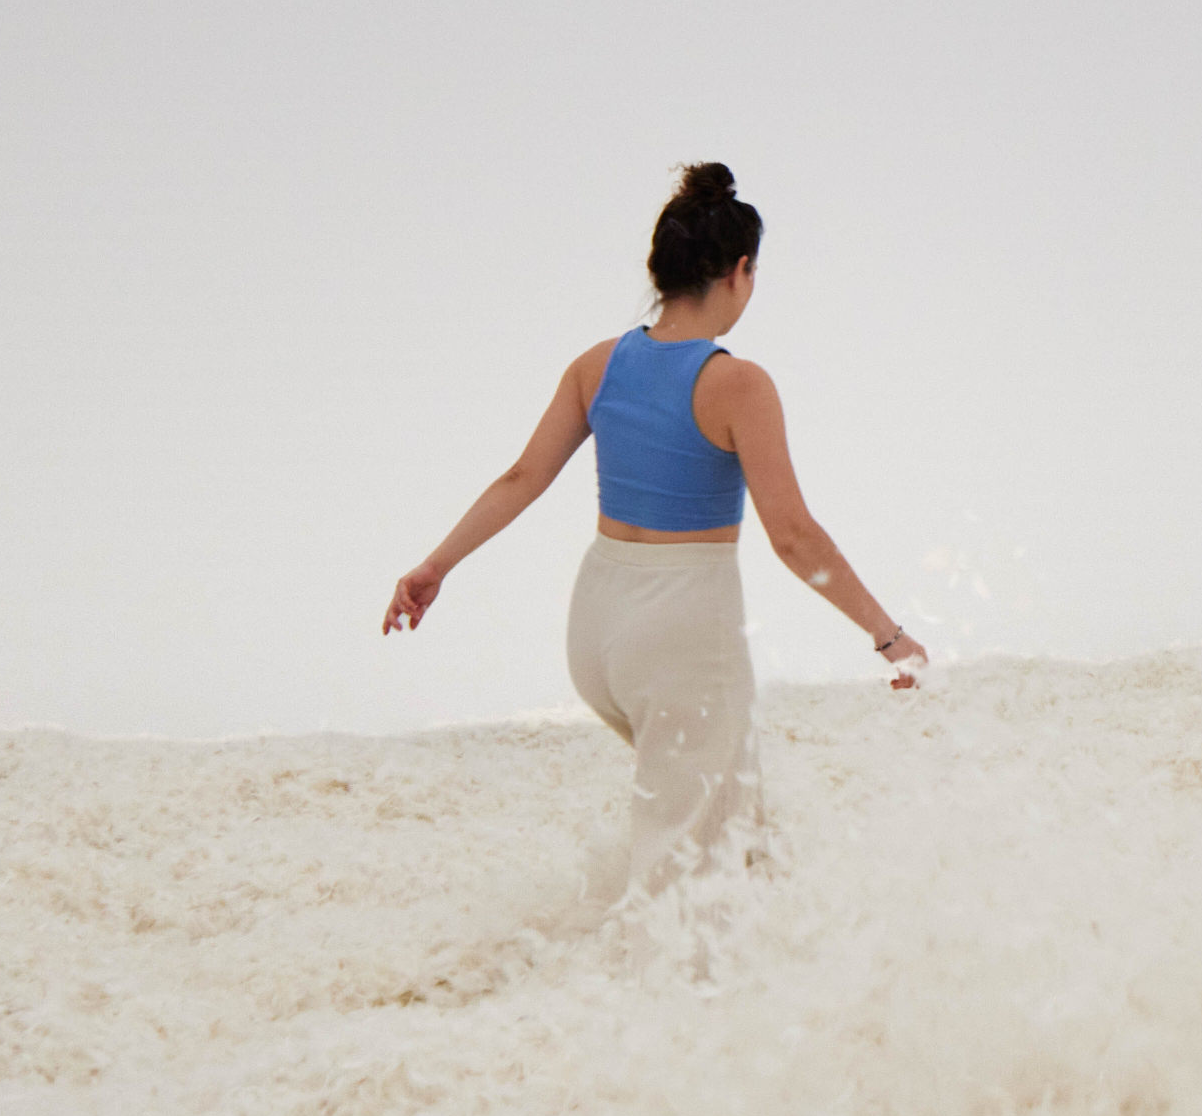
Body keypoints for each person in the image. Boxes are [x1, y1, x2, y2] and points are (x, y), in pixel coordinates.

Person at [383, 163, 927, 895]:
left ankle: (732, 956)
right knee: (690, 876)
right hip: (683, 636)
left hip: (597, 630)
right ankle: (639, 968)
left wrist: (434, 566)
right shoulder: (739, 383)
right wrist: (889, 637)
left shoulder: (597, 365)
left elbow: (521, 477)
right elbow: (794, 535)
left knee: (732, 834)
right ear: (739, 272)